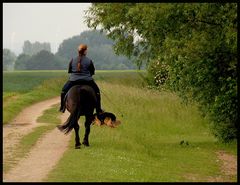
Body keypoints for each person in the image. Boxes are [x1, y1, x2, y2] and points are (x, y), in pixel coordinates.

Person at [59, 44, 103, 115]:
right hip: (87, 81)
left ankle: (62, 107)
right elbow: (92, 72)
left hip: (73, 80)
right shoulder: (89, 61)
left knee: (63, 91)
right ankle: (98, 109)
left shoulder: (72, 60)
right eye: (86, 50)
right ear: (85, 51)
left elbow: (69, 71)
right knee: (97, 92)